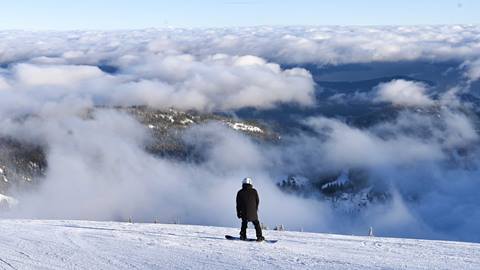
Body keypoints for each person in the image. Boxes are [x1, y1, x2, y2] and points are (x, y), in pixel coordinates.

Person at [236, 177, 265, 242]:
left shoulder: (240, 192)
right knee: (256, 224)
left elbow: (238, 204)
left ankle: (243, 236)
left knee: (244, 223)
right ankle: (259, 237)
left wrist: (238, 213)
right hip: (253, 212)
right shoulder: (254, 191)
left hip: (244, 212)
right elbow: (257, 201)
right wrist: (255, 209)